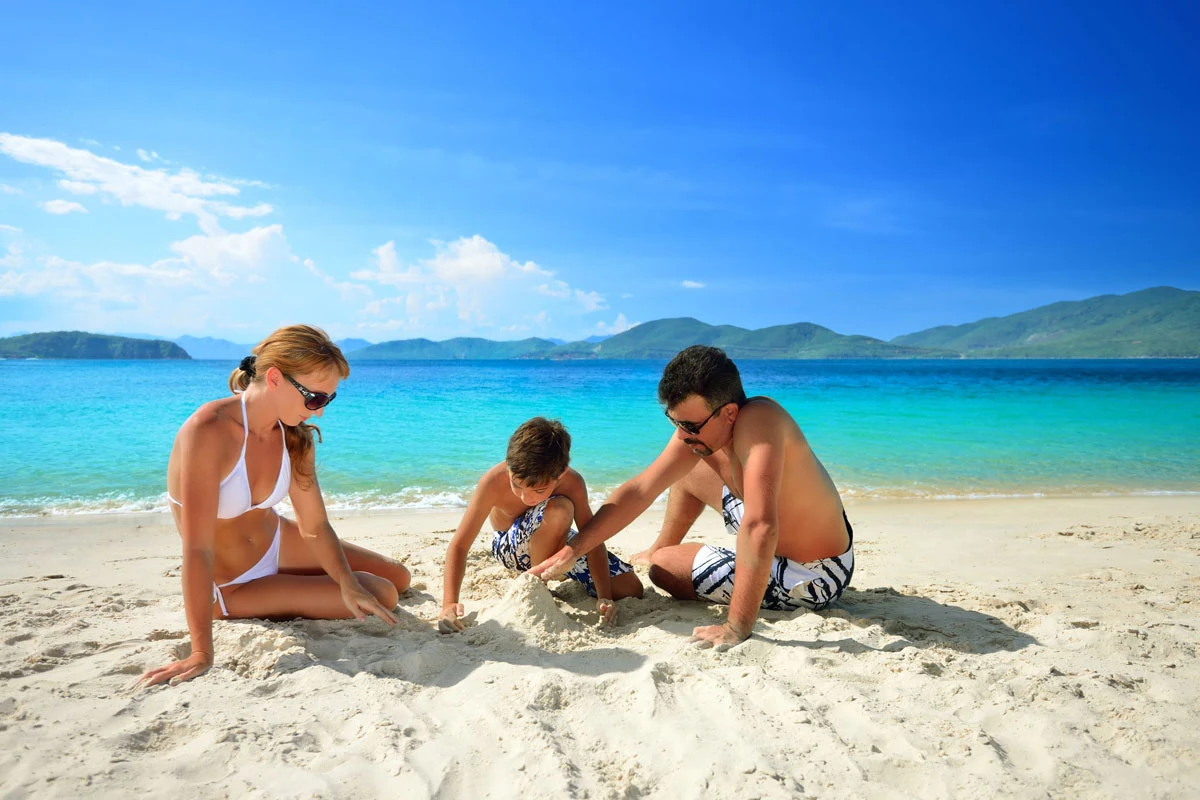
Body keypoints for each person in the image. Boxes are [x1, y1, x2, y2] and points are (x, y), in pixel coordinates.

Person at [530, 345, 854, 649]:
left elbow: (761, 527)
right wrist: (573, 550)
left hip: (811, 573)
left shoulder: (759, 422)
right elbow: (641, 489)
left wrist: (736, 627)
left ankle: (662, 555)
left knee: (664, 567)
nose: (682, 434)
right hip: (769, 527)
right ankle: (658, 546)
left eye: (690, 425)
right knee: (689, 468)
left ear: (729, 413)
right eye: (675, 421)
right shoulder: (707, 430)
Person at [140, 324, 411, 687]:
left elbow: (314, 526)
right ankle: (262, 597)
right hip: (233, 583)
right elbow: (198, 548)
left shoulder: (294, 437)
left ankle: (308, 584)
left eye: (327, 400)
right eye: (314, 399)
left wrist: (345, 582)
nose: (319, 412)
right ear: (274, 378)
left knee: (399, 576)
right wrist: (201, 652)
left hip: (278, 542)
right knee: (382, 593)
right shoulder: (208, 431)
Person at [439, 417, 643, 632]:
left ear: (561, 473)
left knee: (630, 588)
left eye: (538, 490)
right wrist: (448, 603)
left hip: (558, 541)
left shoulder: (572, 482)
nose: (526, 497)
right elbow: (460, 545)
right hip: (511, 548)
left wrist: (604, 597)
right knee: (560, 509)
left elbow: (592, 537)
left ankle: (560, 573)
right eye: (517, 485)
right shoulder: (493, 481)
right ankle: (537, 590)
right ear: (508, 466)